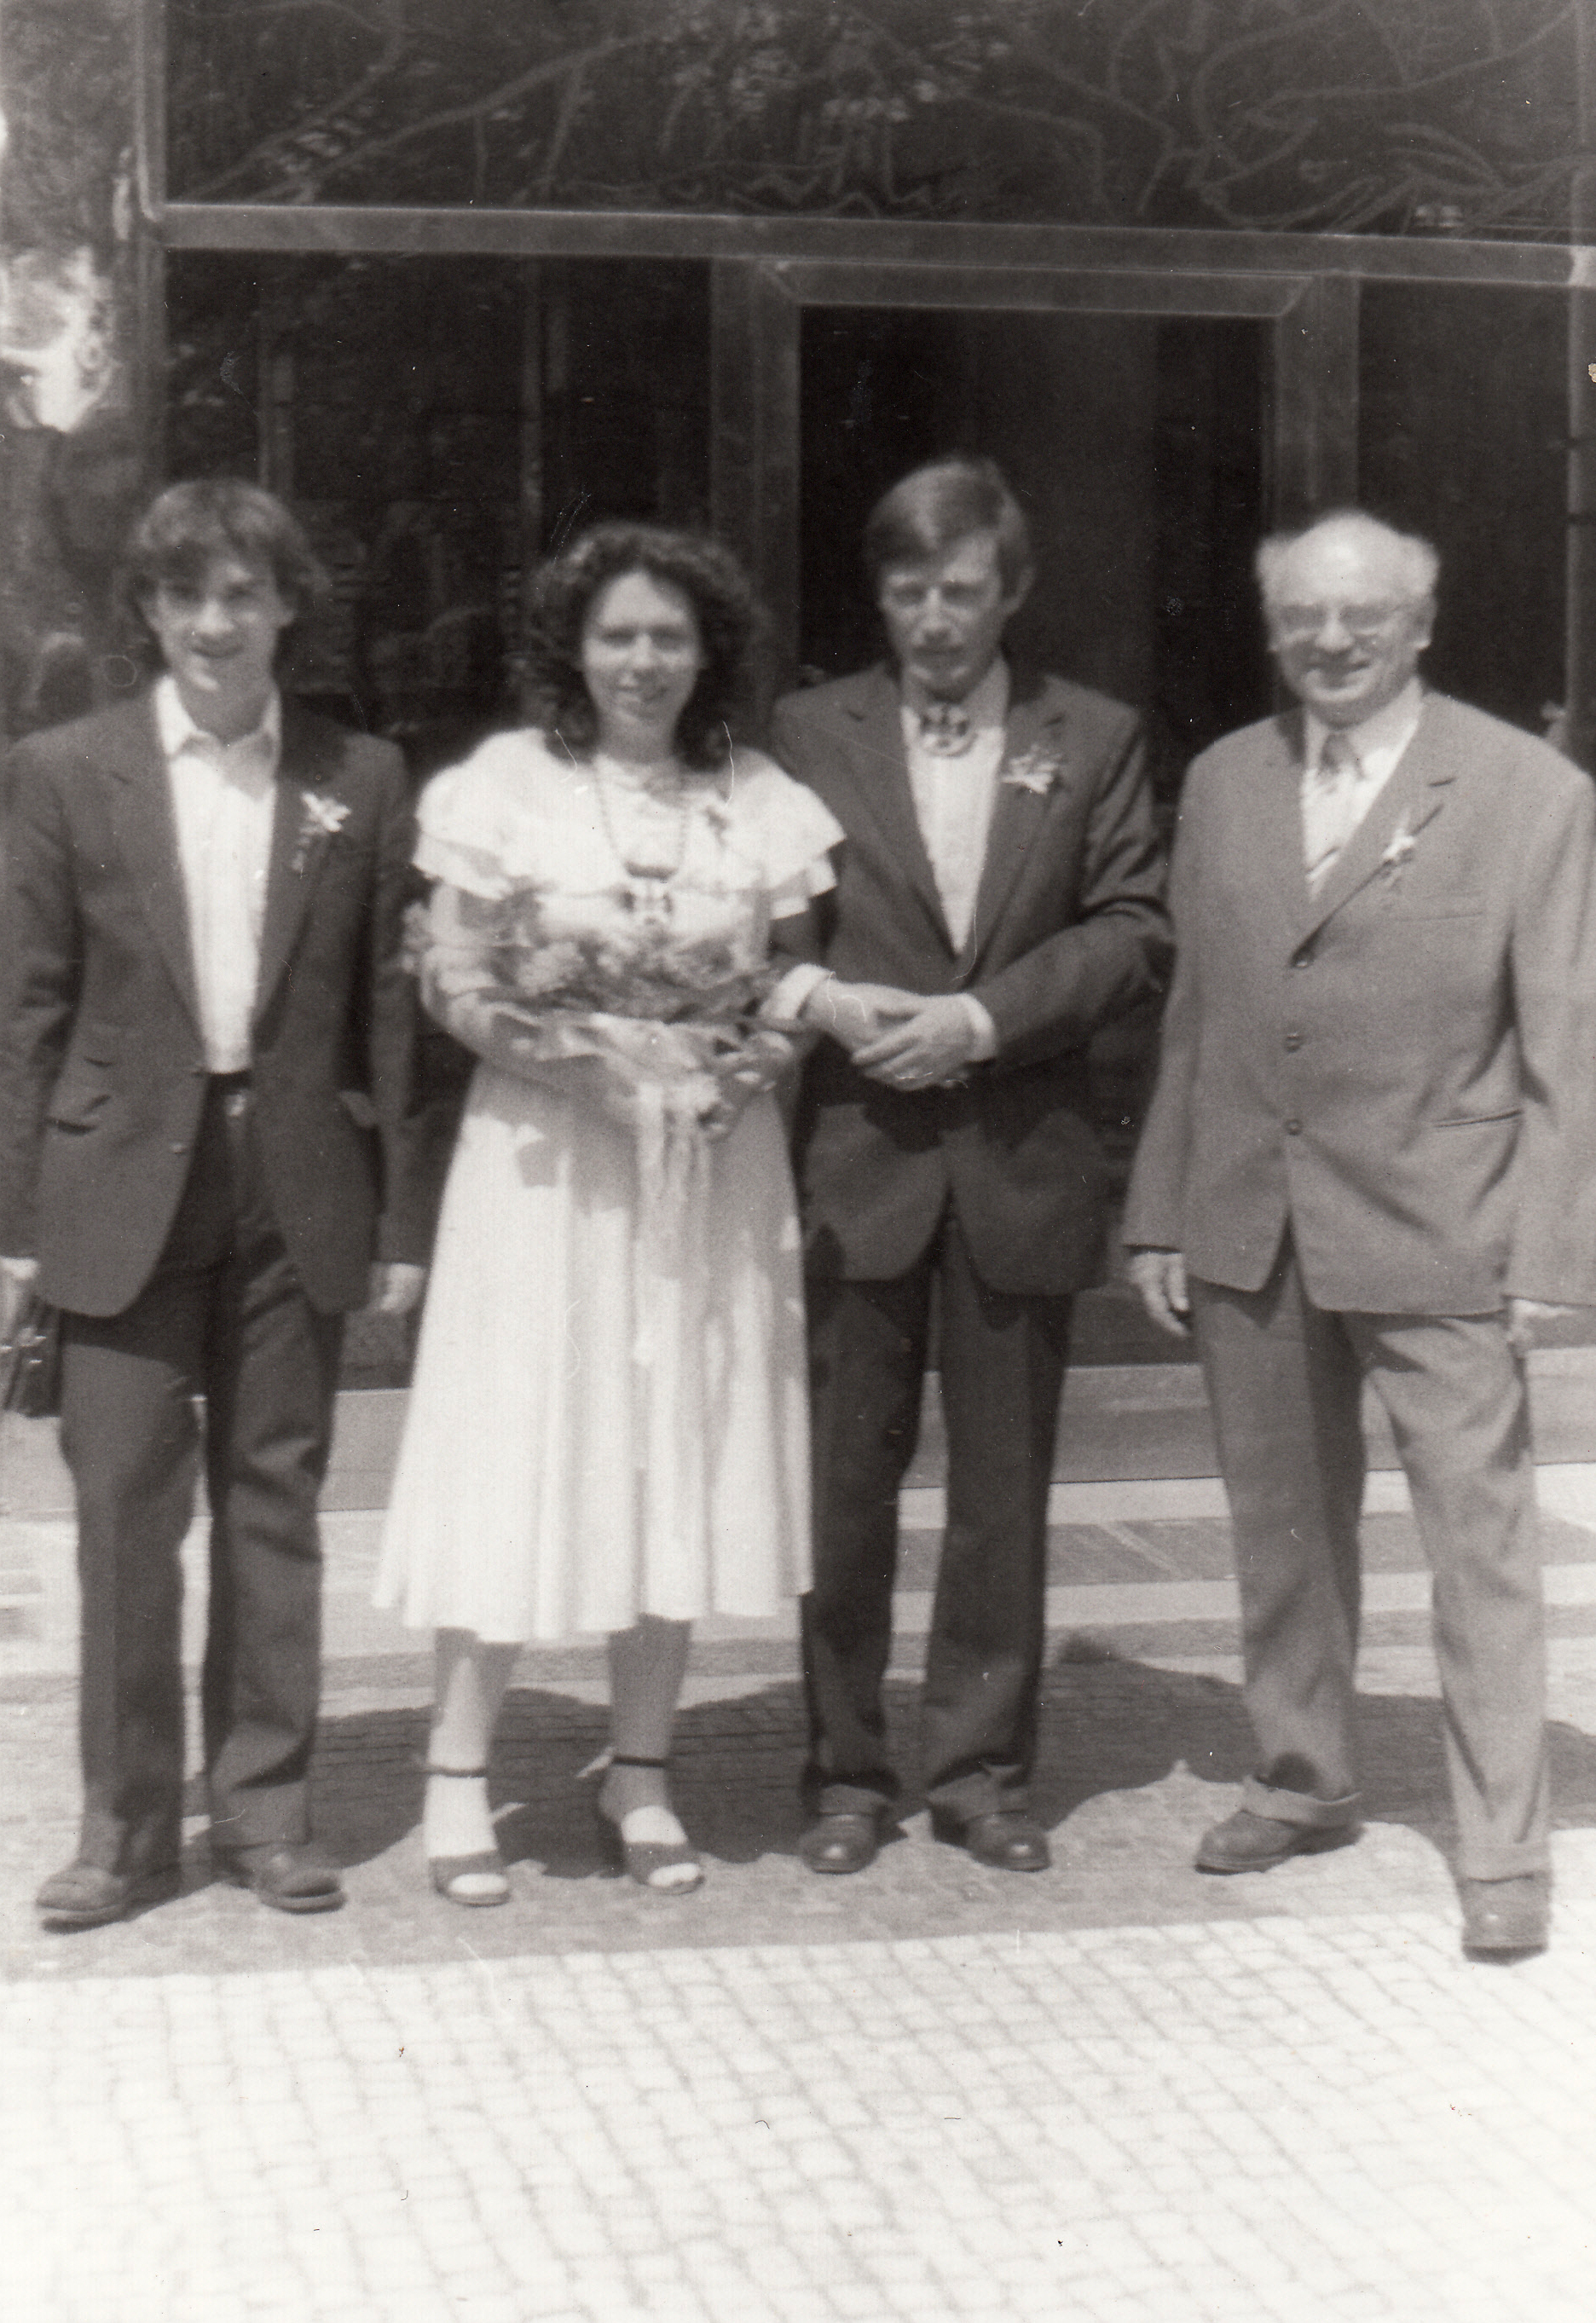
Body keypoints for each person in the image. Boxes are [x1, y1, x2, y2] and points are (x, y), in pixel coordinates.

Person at [1124, 508, 1596, 1958]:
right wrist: (1160, 1210)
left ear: (1421, 625)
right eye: (1303, 618)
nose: (1332, 642)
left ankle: (1502, 1842)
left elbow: (1568, 1040)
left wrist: (1551, 1255)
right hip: (1253, 1218)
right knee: (1281, 1531)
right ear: (1274, 630)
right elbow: (1197, 1012)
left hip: (1444, 1221)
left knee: (1480, 1546)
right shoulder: (1225, 780)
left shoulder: (1528, 790)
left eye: (1364, 616)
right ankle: (1303, 1775)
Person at [373, 523, 841, 1903]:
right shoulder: (506, 784)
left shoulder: (756, 795)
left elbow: (792, 984)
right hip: (547, 1166)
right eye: (619, 634)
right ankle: (457, 1775)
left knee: (671, 1443)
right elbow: (453, 973)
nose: (644, 661)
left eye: (670, 637)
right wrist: (574, 1064)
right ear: (573, 648)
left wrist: (747, 1068)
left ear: (710, 653)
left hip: (702, 1167)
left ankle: (641, 1771)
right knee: (519, 1444)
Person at [0, 478, 427, 1928]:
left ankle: (264, 1815)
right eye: (186, 594)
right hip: (117, 1181)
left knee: (274, 1501)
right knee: (122, 1506)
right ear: (149, 610)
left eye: (244, 593)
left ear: (288, 606)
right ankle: (124, 1832)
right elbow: (27, 1009)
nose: (215, 622)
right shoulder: (67, 769)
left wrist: (400, 1223)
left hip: (292, 1177)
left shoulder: (359, 775)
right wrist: (13, 1227)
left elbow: (387, 1013)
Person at [769, 457, 1170, 1876]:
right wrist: (826, 1006)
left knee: (1004, 1491)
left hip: (1018, 1160)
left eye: (960, 590)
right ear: (878, 598)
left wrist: (982, 1020)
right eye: (908, 591)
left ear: (1014, 591)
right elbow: (764, 922)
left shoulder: (1093, 733)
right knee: (842, 1488)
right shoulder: (805, 731)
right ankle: (844, 1772)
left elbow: (1132, 927)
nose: (934, 619)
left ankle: (981, 1772)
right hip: (857, 1158)